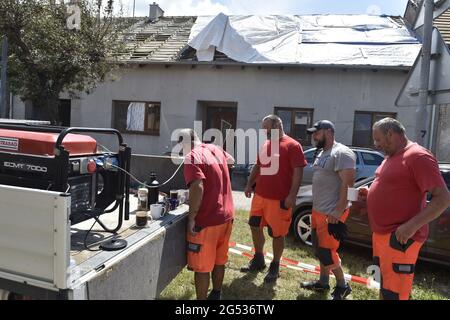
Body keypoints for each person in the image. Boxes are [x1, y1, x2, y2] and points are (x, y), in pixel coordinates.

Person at [359, 118, 450, 300]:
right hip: (382, 236)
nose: (376, 145)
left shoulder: (418, 156)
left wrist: (411, 226)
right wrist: (369, 192)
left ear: (390, 134)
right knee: (385, 286)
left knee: (396, 293)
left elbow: (443, 198)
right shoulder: (392, 157)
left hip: (399, 238)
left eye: (378, 139)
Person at [241, 115, 306, 283]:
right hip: (260, 197)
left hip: (279, 200)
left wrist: (292, 195)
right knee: (254, 226)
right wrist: (249, 184)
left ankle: (275, 265)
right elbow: (258, 165)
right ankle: (258, 258)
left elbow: (298, 172)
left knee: (277, 234)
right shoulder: (266, 144)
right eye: (263, 128)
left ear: (278, 125)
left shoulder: (293, 145)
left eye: (267, 128)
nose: (264, 132)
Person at [299, 120, 356, 300]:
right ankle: (323, 282)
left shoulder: (342, 153)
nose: (314, 137)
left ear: (329, 132)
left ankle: (342, 285)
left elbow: (349, 184)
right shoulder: (323, 152)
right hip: (318, 210)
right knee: (319, 248)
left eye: (317, 133)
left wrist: (338, 211)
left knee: (326, 251)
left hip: (332, 212)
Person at [179, 128, 235, 300]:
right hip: (226, 216)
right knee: (219, 260)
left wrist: (192, 217)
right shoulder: (215, 149)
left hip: (207, 221)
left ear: (183, 143)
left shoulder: (191, 157)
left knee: (202, 267)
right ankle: (216, 294)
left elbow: (197, 186)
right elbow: (231, 160)